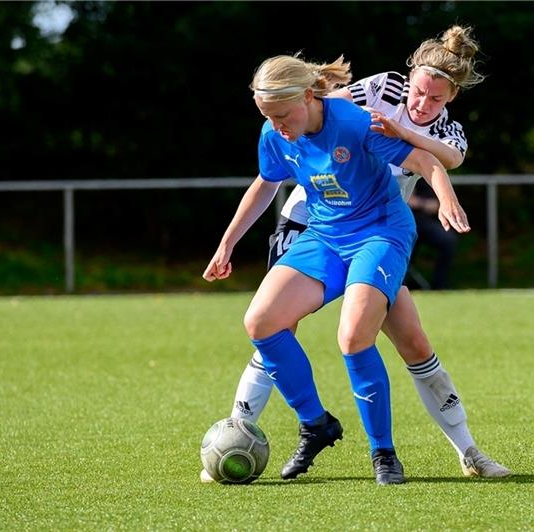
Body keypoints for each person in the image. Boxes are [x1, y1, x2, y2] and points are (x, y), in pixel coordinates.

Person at [218, 25, 512, 481]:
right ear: (409, 77)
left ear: (451, 97)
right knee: (272, 322)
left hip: (379, 229)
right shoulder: (378, 88)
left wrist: (423, 163)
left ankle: (461, 451)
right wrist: (228, 243)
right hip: (312, 220)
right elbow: (312, 120)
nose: (422, 103)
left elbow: (442, 160)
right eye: (419, 92)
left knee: (401, 340)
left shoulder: (441, 131)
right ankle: (247, 430)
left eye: (435, 99)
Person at [407, 178, 459, 290]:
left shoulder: (426, 176)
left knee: (448, 240)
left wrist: (418, 202)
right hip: (401, 222)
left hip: (423, 221)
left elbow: (434, 205)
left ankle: (440, 286)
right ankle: (400, 285)